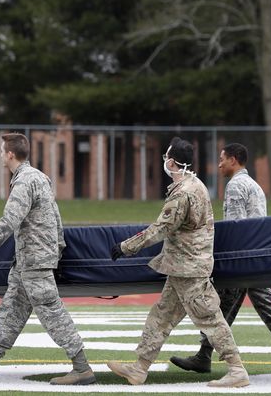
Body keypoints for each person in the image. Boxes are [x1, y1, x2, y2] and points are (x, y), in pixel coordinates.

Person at [106, 137, 249, 388]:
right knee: (160, 316)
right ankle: (139, 368)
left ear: (171, 162)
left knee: (210, 318)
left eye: (165, 157)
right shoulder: (195, 185)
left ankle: (237, 369)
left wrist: (125, 247)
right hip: (182, 267)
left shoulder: (182, 194)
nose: (164, 161)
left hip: (189, 268)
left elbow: (160, 229)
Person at [0, 133, 95, 386]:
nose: (1, 155)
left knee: (52, 314)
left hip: (34, 262)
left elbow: (10, 221)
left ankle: (82, 367)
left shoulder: (23, 182)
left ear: (10, 154)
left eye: (2, 151)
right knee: (10, 312)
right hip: (28, 262)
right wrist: (58, 250)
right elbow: (56, 218)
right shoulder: (40, 177)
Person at [170, 143, 271, 375]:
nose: (219, 164)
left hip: (246, 259)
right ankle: (205, 354)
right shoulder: (253, 185)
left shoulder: (235, 186)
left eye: (222, 159)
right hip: (257, 255)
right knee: (234, 303)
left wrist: (228, 262)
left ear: (233, 160)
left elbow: (237, 227)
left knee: (233, 304)